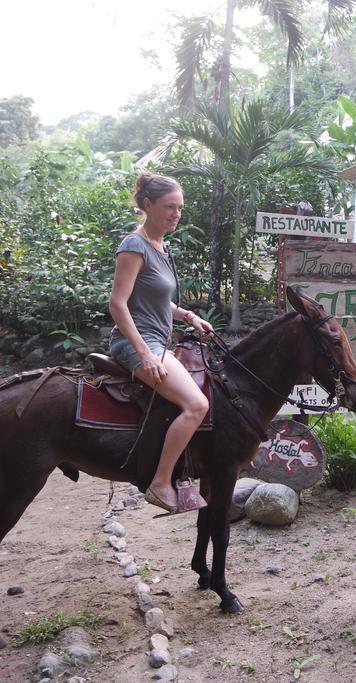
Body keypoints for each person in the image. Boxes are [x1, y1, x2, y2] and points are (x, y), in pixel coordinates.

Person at [108, 172, 214, 514]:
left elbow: (154, 298)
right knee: (197, 405)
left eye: (180, 208)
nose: (176, 214)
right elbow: (118, 304)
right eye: (170, 207)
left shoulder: (161, 247)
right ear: (147, 204)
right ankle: (160, 481)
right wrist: (145, 354)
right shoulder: (134, 245)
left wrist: (187, 316)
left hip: (157, 341)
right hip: (136, 343)